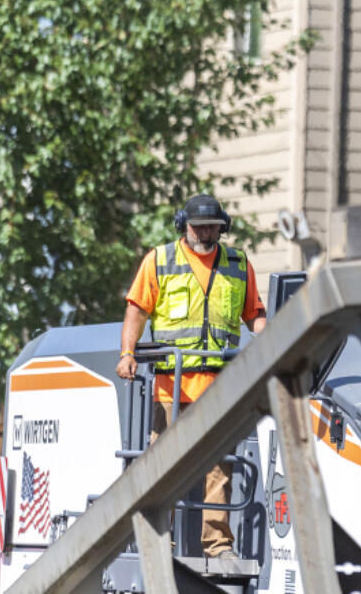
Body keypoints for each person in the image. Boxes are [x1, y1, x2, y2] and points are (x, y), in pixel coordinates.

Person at [116, 193, 267, 558]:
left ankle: (218, 545)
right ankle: (156, 538)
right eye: (198, 227)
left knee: (219, 466)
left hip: (219, 387)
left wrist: (271, 344)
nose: (204, 233)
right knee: (163, 464)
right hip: (172, 386)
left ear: (222, 227)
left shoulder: (237, 264)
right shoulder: (159, 260)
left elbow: (255, 315)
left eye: (212, 227)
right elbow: (136, 312)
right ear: (183, 225)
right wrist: (126, 353)